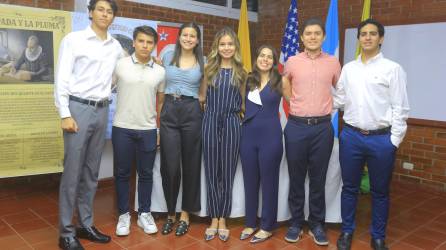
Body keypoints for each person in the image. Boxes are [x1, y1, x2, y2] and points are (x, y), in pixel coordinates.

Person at [334, 18, 409, 250]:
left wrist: (393, 141)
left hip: (381, 140)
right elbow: (339, 100)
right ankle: (347, 231)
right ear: (359, 38)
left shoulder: (393, 69)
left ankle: (378, 236)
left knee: (380, 191)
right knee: (349, 188)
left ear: (381, 38)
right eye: (363, 33)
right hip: (351, 138)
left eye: (372, 34)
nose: (367, 37)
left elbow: (401, 108)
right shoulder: (348, 69)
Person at [54, 1, 123, 249]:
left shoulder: (115, 46)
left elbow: (124, 71)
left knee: (91, 173)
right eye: (101, 9)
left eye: (110, 11)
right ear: (90, 12)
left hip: (102, 109)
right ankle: (66, 233)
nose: (105, 14)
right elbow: (61, 78)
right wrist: (64, 113)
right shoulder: (74, 40)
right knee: (72, 173)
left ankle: (85, 224)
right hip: (77, 109)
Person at [282, 18, 341, 245]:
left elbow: (341, 89)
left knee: (318, 179)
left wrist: (328, 106)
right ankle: (296, 223)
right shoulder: (292, 61)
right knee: (296, 177)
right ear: (302, 37)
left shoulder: (333, 62)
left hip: (322, 128)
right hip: (296, 126)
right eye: (308, 33)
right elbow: (285, 86)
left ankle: (317, 224)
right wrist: (296, 105)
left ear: (324, 37)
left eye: (317, 33)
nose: (313, 37)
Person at [112, 26, 165, 237]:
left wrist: (157, 127)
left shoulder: (160, 71)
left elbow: (160, 102)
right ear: (133, 43)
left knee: (146, 174)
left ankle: (144, 213)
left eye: (149, 42)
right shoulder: (120, 65)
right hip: (122, 128)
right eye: (141, 41)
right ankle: (123, 215)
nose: (145, 45)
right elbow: (105, 87)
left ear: (154, 45)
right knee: (122, 174)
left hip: (148, 129)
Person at [199, 26, 247, 242]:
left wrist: (236, 119)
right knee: (211, 170)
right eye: (222, 44)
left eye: (230, 44)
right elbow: (202, 99)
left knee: (227, 172)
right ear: (216, 47)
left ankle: (223, 218)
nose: (226, 48)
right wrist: (210, 116)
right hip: (210, 119)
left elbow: (245, 103)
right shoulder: (209, 70)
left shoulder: (242, 72)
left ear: (235, 47)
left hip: (232, 122)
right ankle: (213, 217)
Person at [159, 22, 204, 236]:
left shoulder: (202, 61)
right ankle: (170, 214)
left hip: (192, 111)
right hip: (169, 109)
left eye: (192, 35)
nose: (188, 38)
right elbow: (158, 81)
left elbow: (203, 92)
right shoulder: (167, 54)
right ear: (179, 37)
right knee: (170, 166)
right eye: (185, 34)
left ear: (197, 40)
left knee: (191, 164)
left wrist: (196, 107)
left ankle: (185, 213)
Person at [239, 45, 283, 243]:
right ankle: (250, 222)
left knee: (269, 182)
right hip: (248, 135)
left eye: (269, 57)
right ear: (256, 58)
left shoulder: (281, 81)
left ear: (274, 61)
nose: (265, 59)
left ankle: (267, 226)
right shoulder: (248, 79)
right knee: (249, 181)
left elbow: (295, 102)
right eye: (262, 56)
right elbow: (240, 105)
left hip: (271, 136)